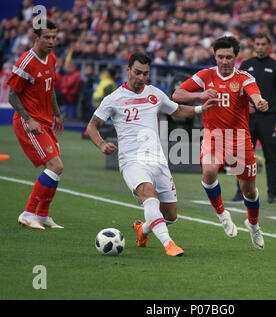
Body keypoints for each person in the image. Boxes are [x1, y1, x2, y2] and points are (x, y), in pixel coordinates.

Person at [86, 53, 218, 256]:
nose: (141, 78)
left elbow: (177, 110)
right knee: (149, 195)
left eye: (145, 74)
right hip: (131, 161)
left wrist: (201, 108)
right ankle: (169, 244)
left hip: (157, 160)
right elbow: (92, 126)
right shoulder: (113, 99)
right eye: (137, 72)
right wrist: (102, 144)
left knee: (171, 215)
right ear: (128, 70)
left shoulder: (155, 94)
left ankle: (143, 229)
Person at [172, 36, 269, 250]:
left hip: (239, 139)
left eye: (229, 57)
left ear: (236, 57)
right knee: (208, 171)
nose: (224, 61)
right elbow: (177, 94)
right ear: (214, 56)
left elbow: (254, 94)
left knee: (249, 191)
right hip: (213, 135)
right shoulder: (205, 75)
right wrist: (201, 94)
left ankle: (253, 225)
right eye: (220, 57)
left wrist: (259, 102)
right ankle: (222, 214)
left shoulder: (244, 78)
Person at [7, 20, 64, 229]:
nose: (51, 41)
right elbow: (12, 95)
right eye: (47, 37)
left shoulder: (51, 58)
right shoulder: (26, 62)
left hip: (46, 120)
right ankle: (28, 213)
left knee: (57, 169)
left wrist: (57, 113)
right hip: (28, 121)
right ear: (36, 38)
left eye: (54, 37)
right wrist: (28, 119)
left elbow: (50, 89)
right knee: (55, 166)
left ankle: (42, 215)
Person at [231, 32, 276, 204]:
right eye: (258, 44)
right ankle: (240, 191)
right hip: (247, 117)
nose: (260, 47)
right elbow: (236, 92)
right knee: (242, 155)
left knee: (271, 156)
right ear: (253, 45)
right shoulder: (246, 65)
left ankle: (272, 193)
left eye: (263, 44)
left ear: (269, 46)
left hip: (269, 119)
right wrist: (241, 108)